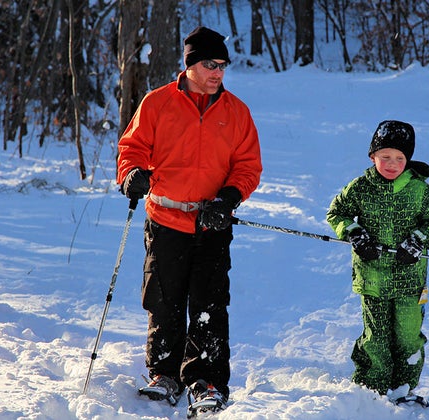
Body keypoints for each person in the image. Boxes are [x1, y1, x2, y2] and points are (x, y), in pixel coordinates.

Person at [116, 26, 262, 416]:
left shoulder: (236, 112)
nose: (218, 72)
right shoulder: (157, 103)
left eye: (223, 66)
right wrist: (131, 174)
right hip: (164, 221)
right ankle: (164, 375)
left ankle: (206, 381)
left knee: (209, 305)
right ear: (190, 65)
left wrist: (229, 197)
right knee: (163, 302)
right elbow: (131, 148)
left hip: (212, 226)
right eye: (210, 65)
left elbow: (248, 166)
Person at [326, 120, 429, 405]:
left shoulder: (419, 191)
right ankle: (373, 388)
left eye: (399, 158)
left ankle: (402, 388)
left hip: (410, 282)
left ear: (408, 160)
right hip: (372, 279)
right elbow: (337, 212)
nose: (392, 164)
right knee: (376, 337)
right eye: (385, 157)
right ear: (373, 157)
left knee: (407, 336)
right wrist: (354, 233)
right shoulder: (360, 188)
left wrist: (418, 240)